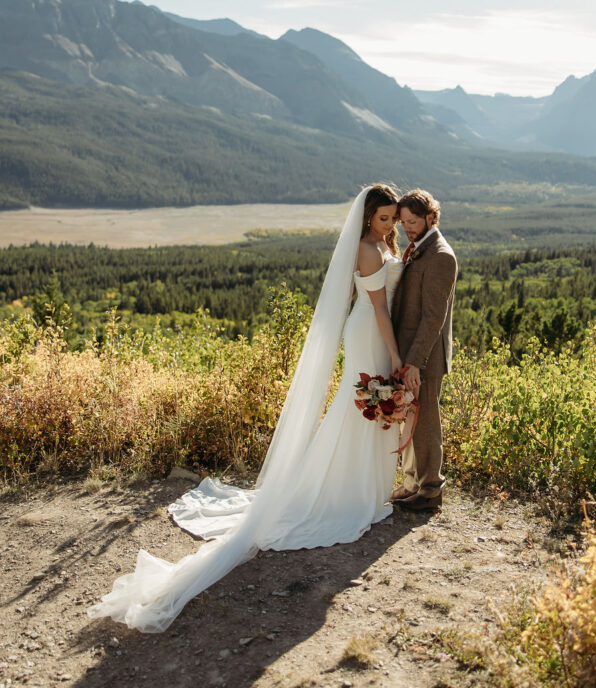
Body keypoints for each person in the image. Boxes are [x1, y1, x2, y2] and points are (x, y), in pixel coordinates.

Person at [88, 183, 404, 633]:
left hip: (378, 332)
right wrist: (394, 356)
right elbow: (377, 309)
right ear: (367, 217)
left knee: (363, 410)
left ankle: (364, 489)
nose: (389, 225)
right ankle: (343, 492)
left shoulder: (383, 244)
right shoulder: (366, 250)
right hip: (371, 334)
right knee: (356, 409)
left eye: (393, 218)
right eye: (383, 218)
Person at [389, 188, 457, 512]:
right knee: (411, 420)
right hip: (410, 355)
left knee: (426, 421)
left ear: (431, 217)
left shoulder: (441, 255)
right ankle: (412, 483)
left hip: (425, 358)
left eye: (413, 221)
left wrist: (415, 362)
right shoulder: (420, 248)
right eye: (403, 222)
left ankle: (430, 491)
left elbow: (433, 319)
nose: (407, 228)